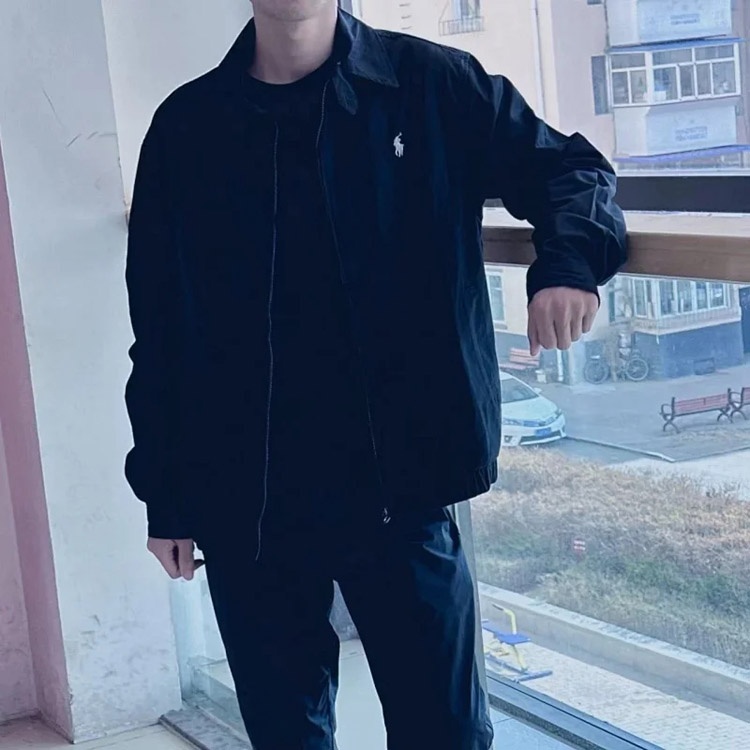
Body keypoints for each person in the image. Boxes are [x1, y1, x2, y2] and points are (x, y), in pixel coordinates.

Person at [124, 2, 627, 748]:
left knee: (446, 731)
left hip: (402, 488)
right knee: (285, 734)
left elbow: (572, 169)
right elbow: (160, 327)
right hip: (247, 501)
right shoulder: (187, 126)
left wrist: (569, 265)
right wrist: (165, 497)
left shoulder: (431, 84)